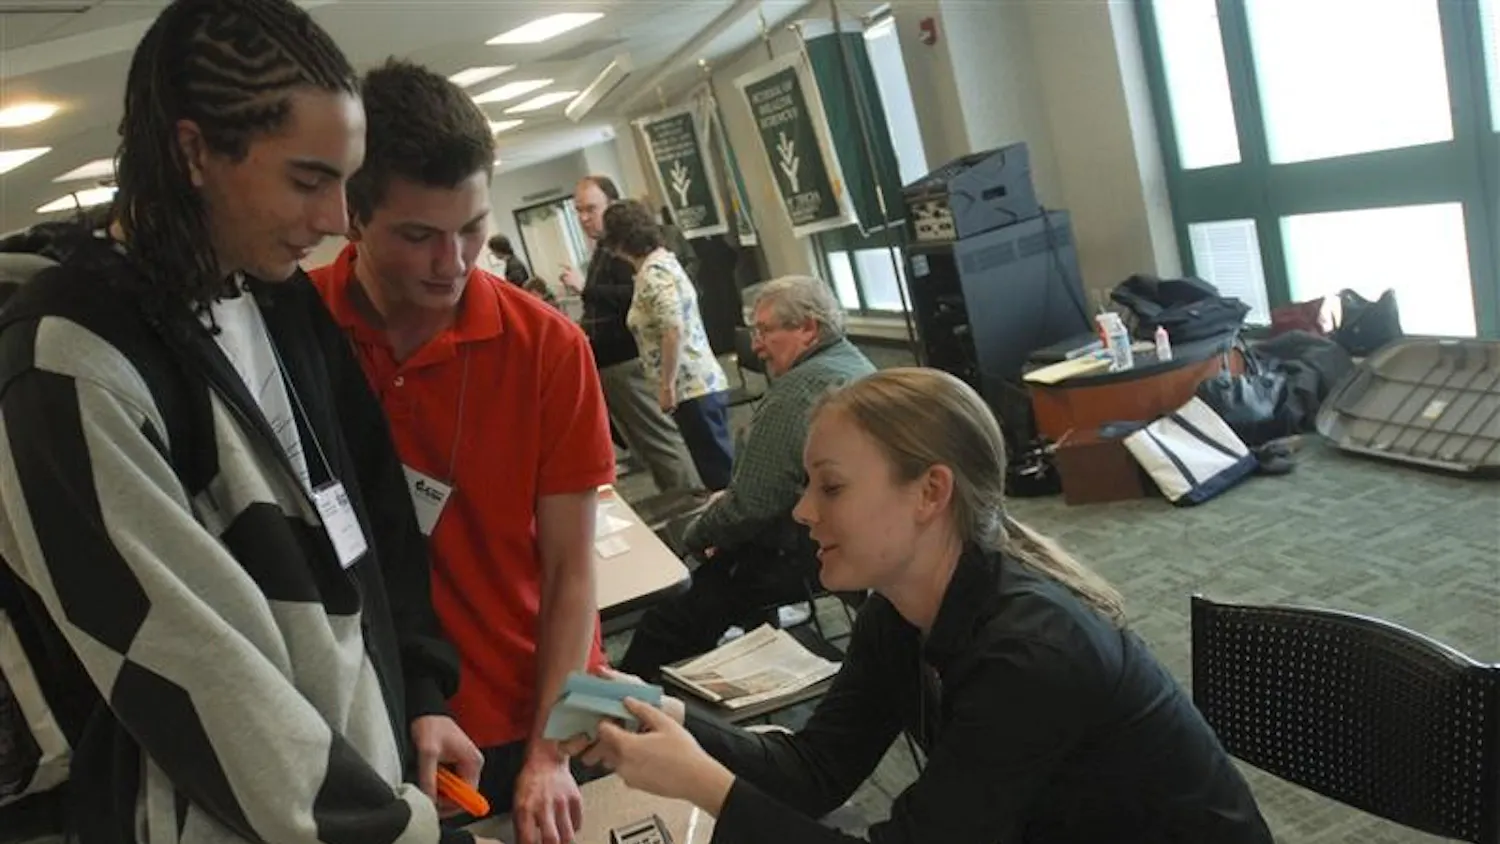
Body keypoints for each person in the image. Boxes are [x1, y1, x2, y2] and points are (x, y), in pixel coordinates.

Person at [0, 3, 495, 843]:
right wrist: (390, 829)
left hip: (364, 782)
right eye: (308, 181)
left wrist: (420, 690)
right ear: (195, 151)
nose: (338, 219)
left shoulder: (273, 292)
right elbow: (196, 673)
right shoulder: (68, 358)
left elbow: (370, 512)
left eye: (346, 181)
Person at [571, 368, 1276, 843]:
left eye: (832, 487)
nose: (804, 511)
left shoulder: (1030, 653)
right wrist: (668, 715)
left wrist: (701, 782)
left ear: (930, 493)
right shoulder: (901, 609)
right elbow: (816, 769)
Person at [308, 60, 614, 844]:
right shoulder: (296, 330)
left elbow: (574, 571)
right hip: (368, 713)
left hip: (527, 708)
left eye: (471, 228)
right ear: (352, 216)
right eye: (418, 237)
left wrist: (551, 750)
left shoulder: (550, 346)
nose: (454, 262)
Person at [617, 276, 875, 681]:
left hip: (806, 551)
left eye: (765, 331)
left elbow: (751, 505)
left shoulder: (795, 394)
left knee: (665, 621)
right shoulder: (856, 363)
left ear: (808, 328)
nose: (755, 346)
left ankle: (618, 723)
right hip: (848, 537)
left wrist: (698, 538)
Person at [560, 176, 700, 494]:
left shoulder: (625, 251)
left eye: (591, 209)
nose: (584, 218)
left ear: (611, 205)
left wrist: (586, 288)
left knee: (661, 444)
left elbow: (635, 297)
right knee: (647, 449)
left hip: (629, 360)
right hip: (611, 364)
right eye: (579, 211)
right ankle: (680, 507)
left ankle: (691, 509)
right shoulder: (605, 249)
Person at [599, 199, 733, 491]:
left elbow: (673, 328)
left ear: (619, 241)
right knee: (716, 466)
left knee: (718, 475)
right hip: (700, 381)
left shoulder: (653, 273)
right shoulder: (665, 261)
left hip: (689, 386)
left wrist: (667, 385)